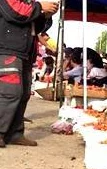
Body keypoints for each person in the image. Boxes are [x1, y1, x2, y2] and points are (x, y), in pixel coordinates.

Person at [0, 0, 58, 148]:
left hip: (24, 53)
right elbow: (15, 13)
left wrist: (45, 15)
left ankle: (15, 133)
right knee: (10, 92)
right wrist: (40, 7)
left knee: (24, 93)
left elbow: (35, 27)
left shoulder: (30, 2)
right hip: (7, 49)